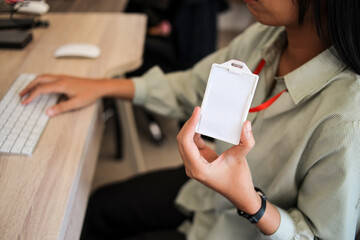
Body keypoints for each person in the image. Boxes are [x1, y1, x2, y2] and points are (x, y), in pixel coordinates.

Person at [20, 0, 360, 239]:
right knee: (96, 209)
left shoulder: (345, 118)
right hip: (209, 196)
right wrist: (101, 85)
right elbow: (193, 84)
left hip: (246, 223)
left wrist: (250, 203)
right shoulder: (266, 37)